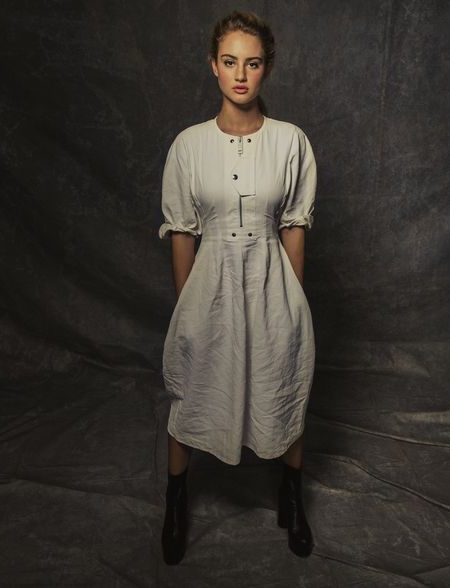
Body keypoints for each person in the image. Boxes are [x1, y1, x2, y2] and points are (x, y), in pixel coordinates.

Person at [158, 10, 317, 565]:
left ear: (265, 68)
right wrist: (187, 309)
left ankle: (290, 499)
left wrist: (293, 303)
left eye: (252, 63)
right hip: (210, 285)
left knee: (285, 382)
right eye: (230, 62)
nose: (241, 75)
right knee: (190, 387)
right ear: (214, 67)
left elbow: (294, 226)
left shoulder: (291, 142)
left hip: (273, 282)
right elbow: (182, 233)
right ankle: (176, 500)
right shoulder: (188, 146)